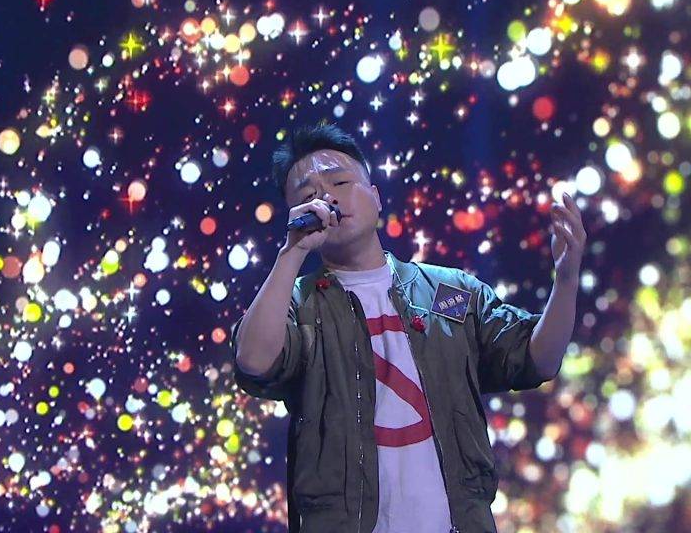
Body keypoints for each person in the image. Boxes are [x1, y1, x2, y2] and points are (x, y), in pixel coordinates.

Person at [231, 123, 585, 533]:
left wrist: (567, 279)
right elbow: (254, 360)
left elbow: (538, 358)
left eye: (340, 182)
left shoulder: (451, 290)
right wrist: (292, 252)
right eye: (308, 195)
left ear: (376, 196)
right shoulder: (296, 303)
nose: (326, 198)